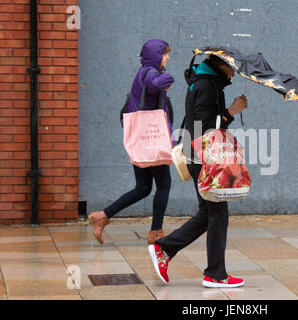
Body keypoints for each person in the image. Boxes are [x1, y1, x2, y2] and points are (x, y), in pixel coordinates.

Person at [148, 55, 248, 288]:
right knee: (217, 213)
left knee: (208, 213)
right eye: (232, 67)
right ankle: (214, 273)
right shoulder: (206, 85)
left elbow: (199, 122)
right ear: (221, 65)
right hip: (204, 159)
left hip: (198, 156)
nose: (235, 72)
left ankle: (165, 249)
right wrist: (231, 111)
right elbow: (205, 128)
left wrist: (227, 111)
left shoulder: (204, 82)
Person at [89, 39, 175, 245]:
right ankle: (156, 232)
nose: (168, 58)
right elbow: (154, 83)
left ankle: (102, 216)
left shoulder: (143, 72)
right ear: (156, 55)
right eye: (165, 54)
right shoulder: (150, 73)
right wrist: (168, 78)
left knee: (143, 187)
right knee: (164, 184)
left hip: (142, 140)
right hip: (151, 140)